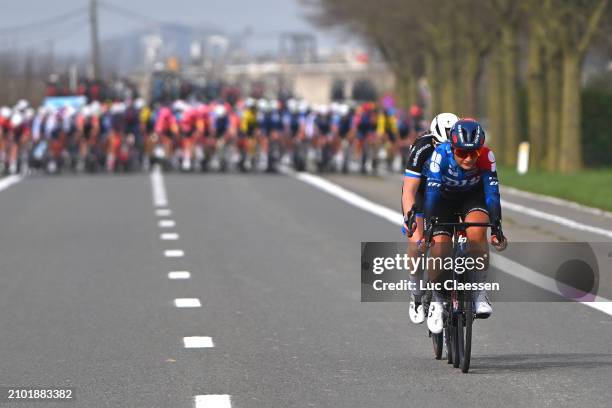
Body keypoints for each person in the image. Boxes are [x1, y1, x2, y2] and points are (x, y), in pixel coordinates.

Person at [423, 119, 507, 334]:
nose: (469, 158)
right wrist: (429, 228)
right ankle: (438, 302)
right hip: (442, 199)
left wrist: (496, 228)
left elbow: (492, 195)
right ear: (452, 148)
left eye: (474, 153)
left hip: (472, 198)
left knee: (478, 231)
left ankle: (478, 292)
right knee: (440, 247)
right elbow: (431, 195)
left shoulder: (487, 157)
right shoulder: (440, 156)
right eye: (462, 153)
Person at [401, 112, 459, 324]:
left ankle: (445, 294)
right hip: (422, 194)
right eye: (440, 145)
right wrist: (410, 218)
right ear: (433, 140)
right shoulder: (422, 148)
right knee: (417, 244)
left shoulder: (462, 148)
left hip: (449, 193)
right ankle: (416, 295)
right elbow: (409, 191)